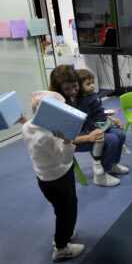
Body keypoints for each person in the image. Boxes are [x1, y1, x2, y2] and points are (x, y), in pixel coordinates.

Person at [19, 91, 84, 262]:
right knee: (67, 211)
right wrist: (67, 141)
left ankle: (65, 232)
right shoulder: (49, 136)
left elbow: (35, 134)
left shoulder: (27, 126)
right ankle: (61, 248)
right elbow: (65, 159)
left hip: (45, 179)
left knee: (60, 209)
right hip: (59, 178)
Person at [49, 65, 127, 187]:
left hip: (86, 129)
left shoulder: (81, 95)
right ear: (59, 90)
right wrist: (88, 138)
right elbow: (60, 137)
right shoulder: (57, 105)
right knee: (111, 139)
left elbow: (92, 113)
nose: (73, 91)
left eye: (75, 86)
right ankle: (100, 176)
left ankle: (112, 165)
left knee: (120, 134)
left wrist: (108, 118)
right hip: (70, 141)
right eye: (67, 89)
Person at [76, 69, 129, 177]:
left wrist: (107, 115)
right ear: (80, 86)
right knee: (113, 139)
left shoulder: (93, 95)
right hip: (94, 126)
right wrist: (96, 127)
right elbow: (86, 118)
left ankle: (114, 164)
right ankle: (104, 169)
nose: (92, 86)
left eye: (93, 83)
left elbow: (98, 108)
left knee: (121, 134)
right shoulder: (82, 101)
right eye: (88, 84)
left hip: (102, 120)